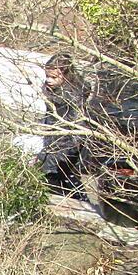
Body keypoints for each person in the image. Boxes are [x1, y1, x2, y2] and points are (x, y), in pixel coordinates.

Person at [39, 53, 91, 194]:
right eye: (47, 76)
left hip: (68, 137)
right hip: (51, 131)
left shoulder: (74, 94)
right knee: (49, 171)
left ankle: (75, 197)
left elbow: (77, 121)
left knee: (55, 172)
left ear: (66, 76)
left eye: (53, 77)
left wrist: (72, 145)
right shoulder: (51, 88)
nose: (48, 80)